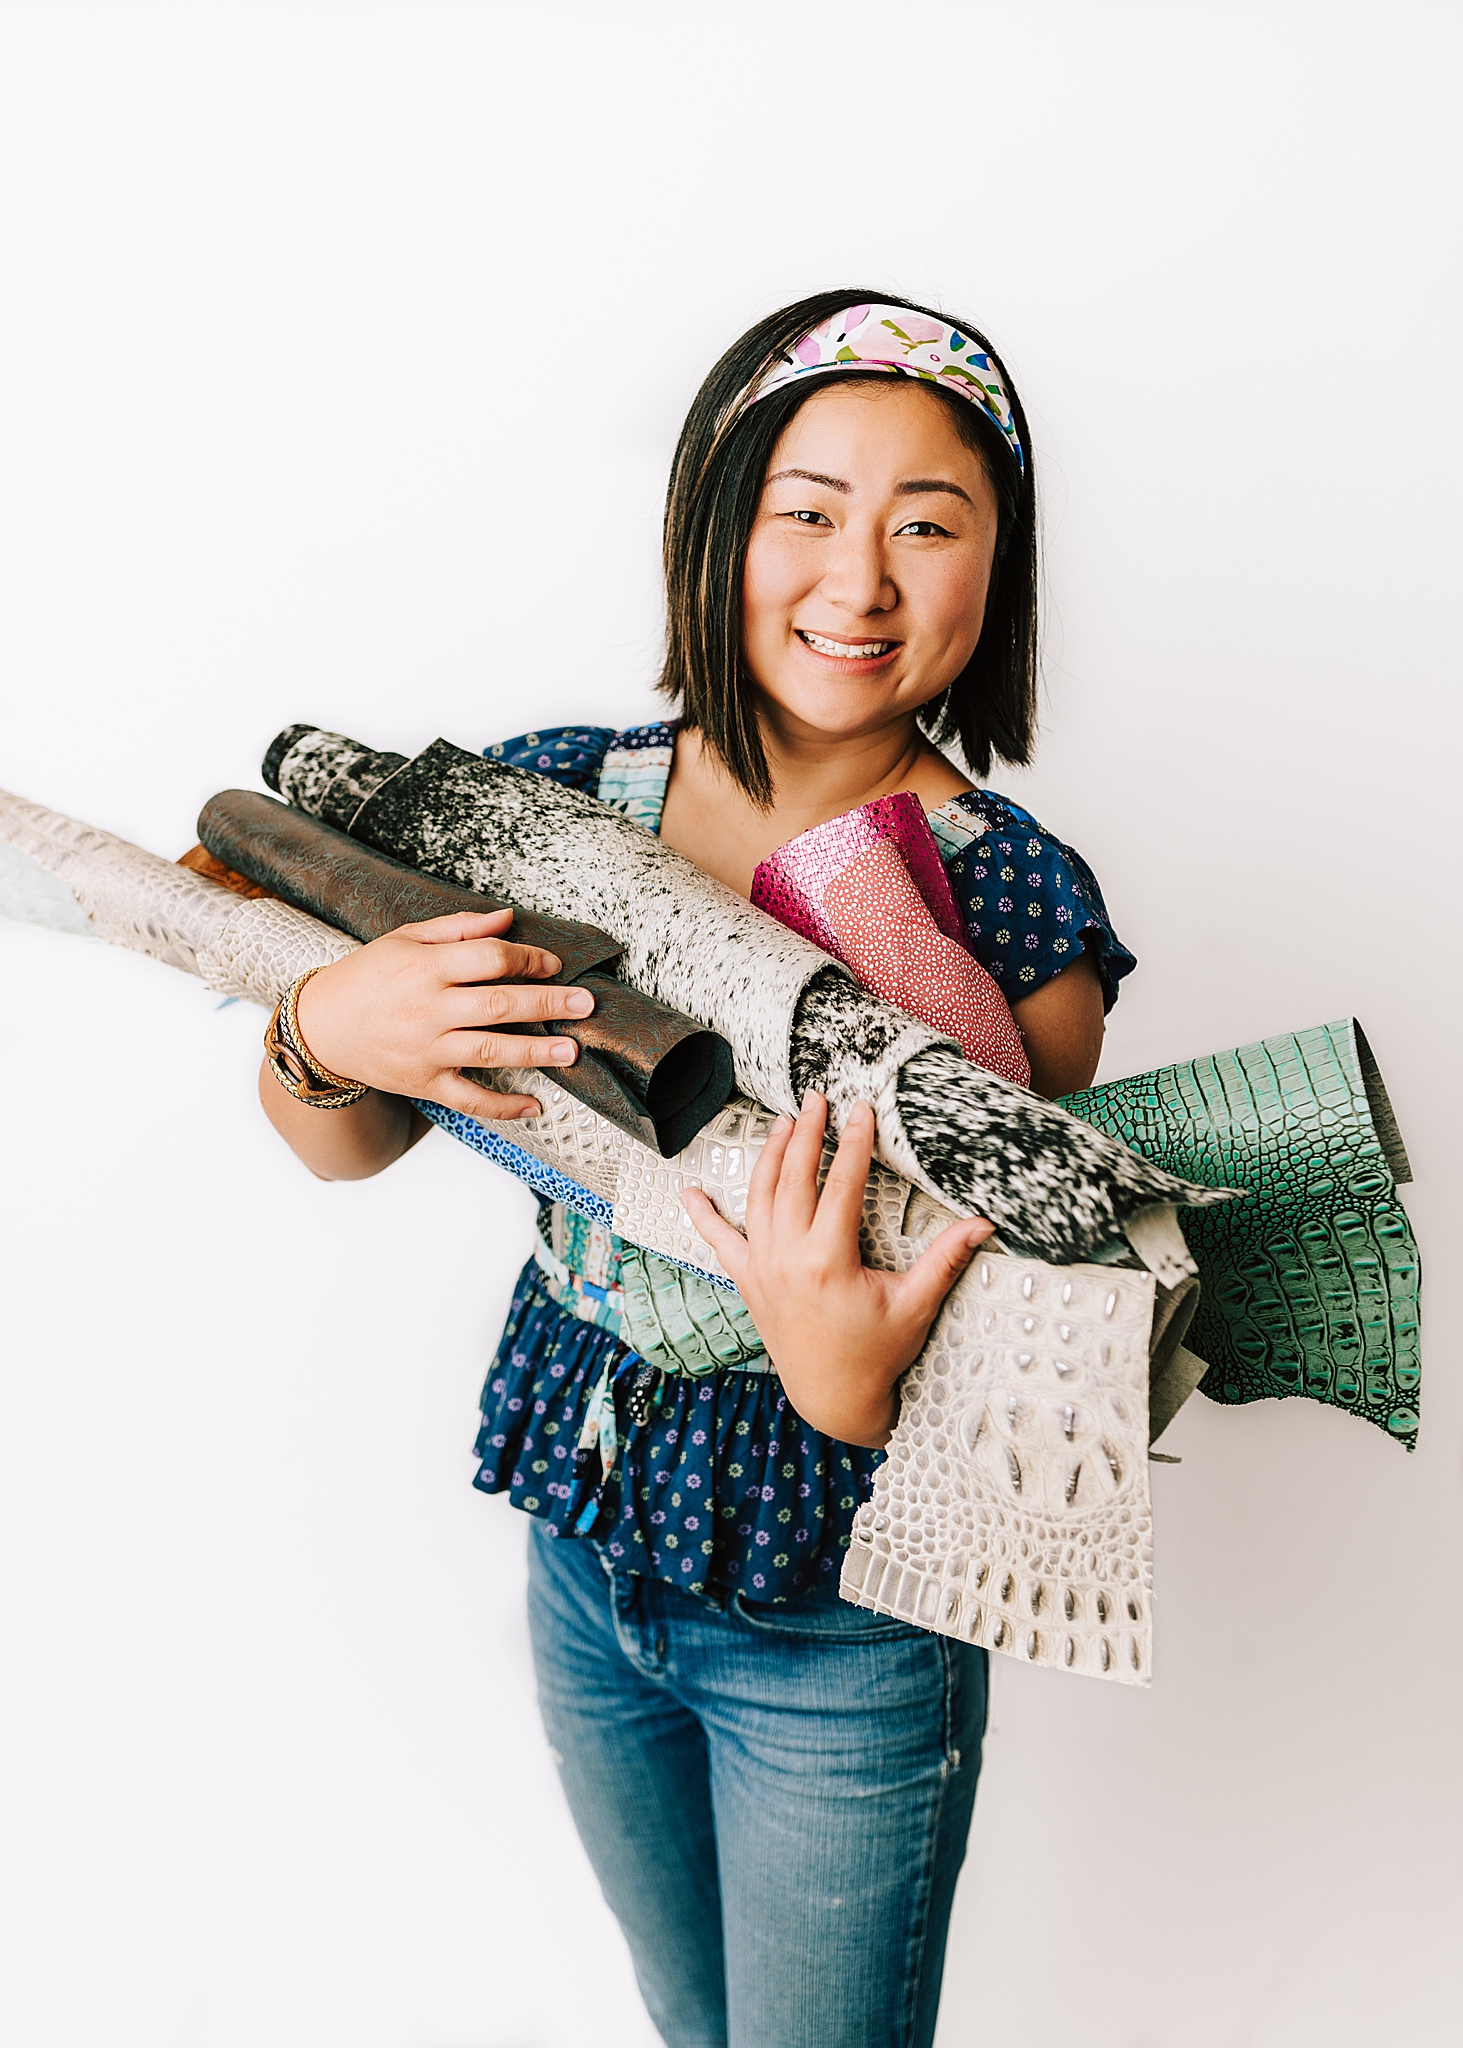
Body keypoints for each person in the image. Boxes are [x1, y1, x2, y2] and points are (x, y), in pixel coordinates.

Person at [259, 291, 1135, 2048]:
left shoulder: (1013, 904)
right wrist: (324, 1028)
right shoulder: (553, 801)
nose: (858, 579)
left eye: (928, 524)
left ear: (1003, 568)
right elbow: (346, 1144)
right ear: (712, 528)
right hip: (584, 1555)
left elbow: (1034, 1315)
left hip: (844, 1618)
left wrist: (845, 1380)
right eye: (806, 510)